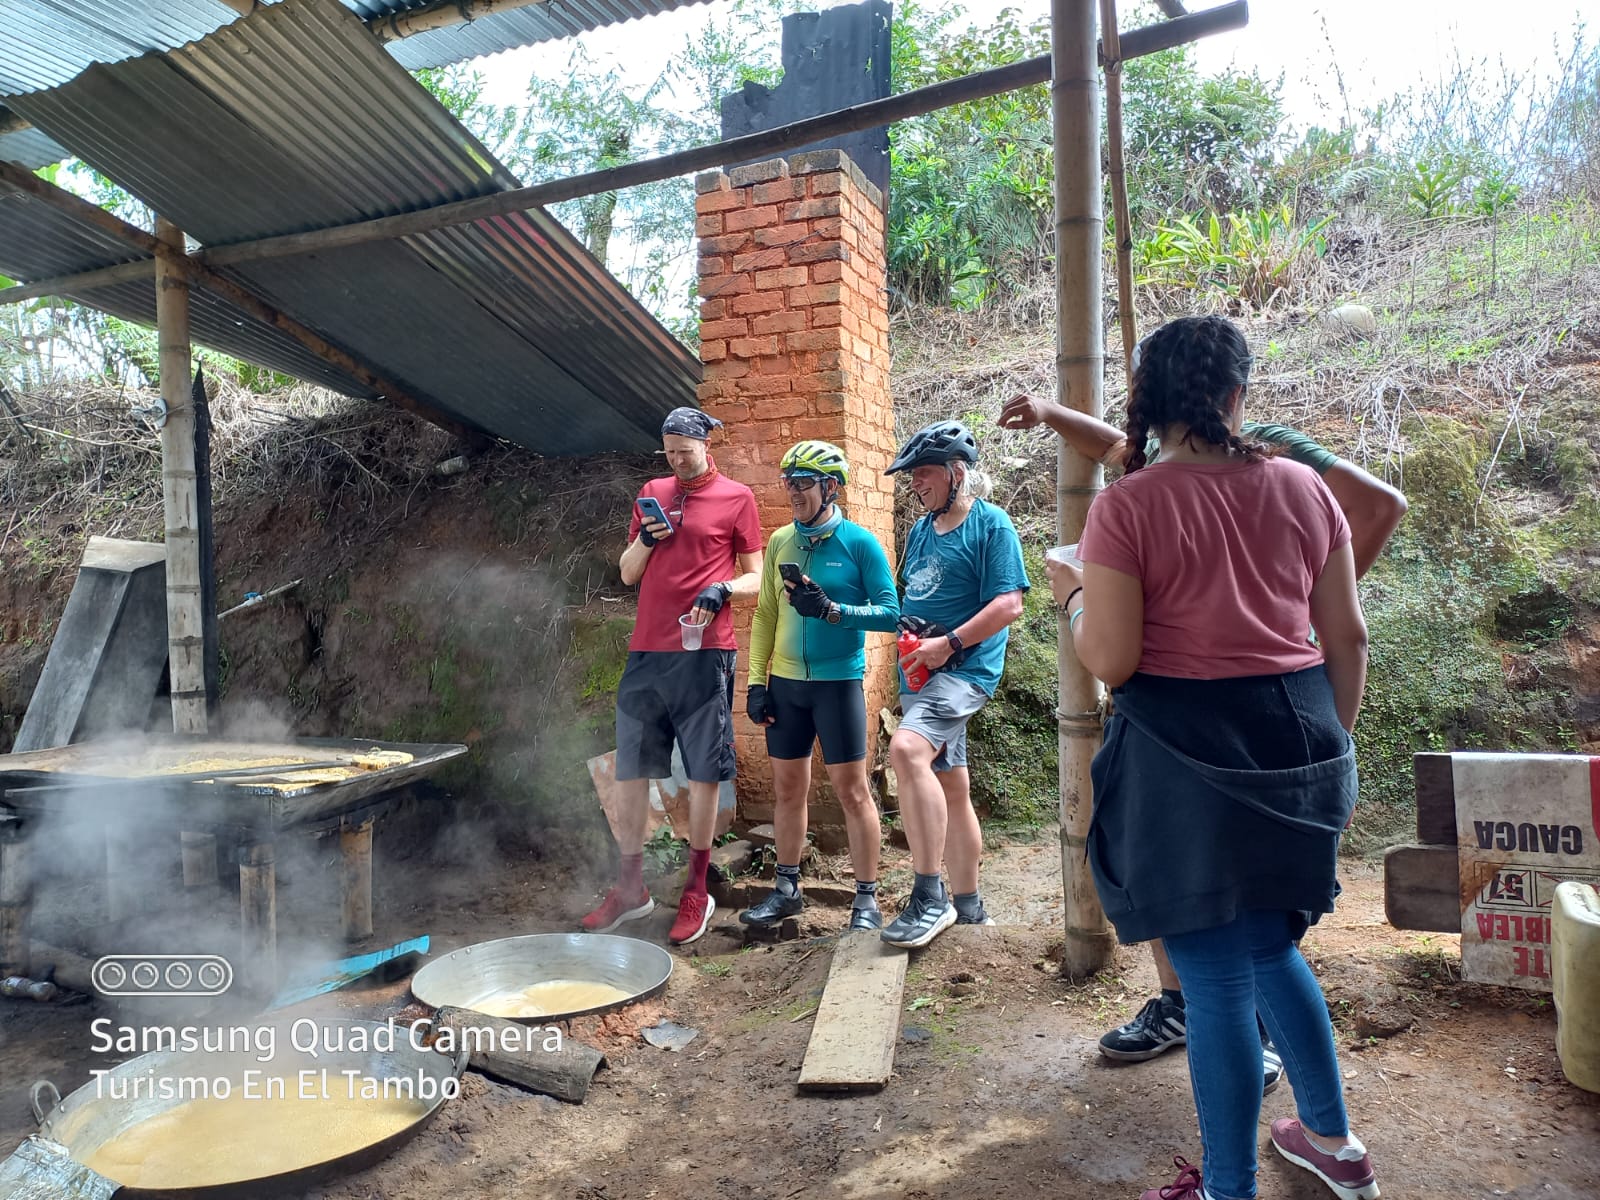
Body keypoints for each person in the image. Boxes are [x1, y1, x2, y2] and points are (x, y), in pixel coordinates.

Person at [1047, 315, 1379, 1200]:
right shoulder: (1305, 489)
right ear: (1237, 396)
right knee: (1272, 950)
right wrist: (1324, 760)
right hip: (1300, 731)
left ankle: (1229, 1188)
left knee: (1219, 979)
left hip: (1182, 752)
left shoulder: (1129, 505)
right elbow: (1346, 637)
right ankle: (1334, 1145)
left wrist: (1071, 594)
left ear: (1149, 403)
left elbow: (1111, 659)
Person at [1001, 384, 1406, 1093]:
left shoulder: (1285, 463)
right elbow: (1118, 449)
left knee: (1245, 926)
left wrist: (1302, 606)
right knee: (1173, 888)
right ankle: (1196, 1017)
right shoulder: (1152, 470)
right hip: (1178, 707)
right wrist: (1049, 413)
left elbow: (1378, 509)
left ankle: (1241, 1064)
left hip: (1245, 705)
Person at [581, 407, 762, 947]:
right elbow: (627, 572)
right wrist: (649, 538)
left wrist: (723, 590)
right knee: (633, 769)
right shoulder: (653, 491)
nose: (677, 460)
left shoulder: (737, 499)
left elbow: (757, 578)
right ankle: (630, 889)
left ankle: (696, 888)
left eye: (686, 450)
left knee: (706, 770)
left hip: (705, 652)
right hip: (647, 651)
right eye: (670, 451)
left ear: (707, 445)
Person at [880, 420, 1030, 949]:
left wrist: (951, 644)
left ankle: (929, 896)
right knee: (952, 783)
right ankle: (969, 907)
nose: (914, 484)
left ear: (956, 473)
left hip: (962, 672)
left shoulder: (992, 526)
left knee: (906, 750)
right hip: (919, 669)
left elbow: (1009, 604)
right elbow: (912, 595)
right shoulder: (922, 528)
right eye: (912, 476)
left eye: (923, 474)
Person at [739, 441, 900, 932]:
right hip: (786, 685)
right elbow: (767, 613)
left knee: (852, 792)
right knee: (788, 791)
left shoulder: (859, 544)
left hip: (837, 685)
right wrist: (754, 682)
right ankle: (786, 890)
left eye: (802, 484)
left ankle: (866, 899)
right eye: (788, 483)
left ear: (831, 487)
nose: (792, 493)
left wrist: (834, 611)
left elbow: (891, 613)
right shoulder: (782, 541)